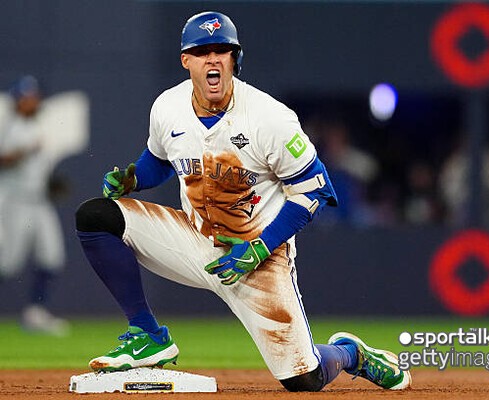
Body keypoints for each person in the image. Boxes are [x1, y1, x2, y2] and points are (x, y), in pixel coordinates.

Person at [75, 11, 411, 392]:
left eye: (222, 50)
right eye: (202, 51)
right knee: (95, 217)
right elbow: (161, 159)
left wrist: (261, 247)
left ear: (235, 58)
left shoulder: (269, 118)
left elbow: (315, 189)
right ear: (186, 60)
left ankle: (351, 354)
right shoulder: (167, 107)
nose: (213, 59)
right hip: (194, 239)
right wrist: (135, 177)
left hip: (258, 254)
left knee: (304, 379)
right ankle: (148, 335)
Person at [0, 76, 69, 335]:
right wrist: (24, 151)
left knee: (52, 256)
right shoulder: (11, 126)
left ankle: (35, 313)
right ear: (18, 101)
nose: (32, 101)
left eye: (34, 96)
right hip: (16, 203)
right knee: (8, 263)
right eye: (27, 97)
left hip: (40, 202)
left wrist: (50, 185)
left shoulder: (35, 126)